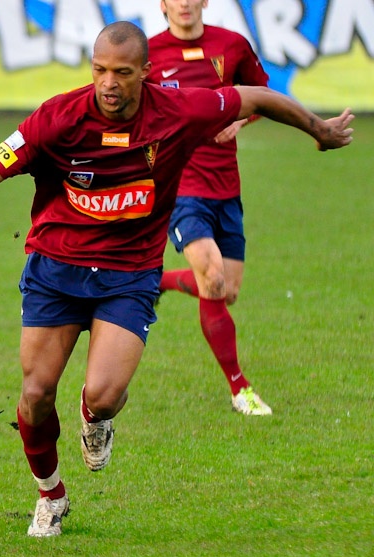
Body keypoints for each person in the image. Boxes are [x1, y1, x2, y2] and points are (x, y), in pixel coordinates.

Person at [0, 22, 354, 537]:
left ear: (146, 73)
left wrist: (317, 129)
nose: (109, 83)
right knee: (34, 396)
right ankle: (51, 495)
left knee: (102, 394)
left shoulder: (179, 109)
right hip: (56, 270)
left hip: (129, 275)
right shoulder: (57, 118)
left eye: (122, 72)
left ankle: (94, 417)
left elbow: (254, 95)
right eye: (100, 70)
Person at [147, 0, 272, 416]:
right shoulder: (147, 55)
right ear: (162, 4)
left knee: (225, 291)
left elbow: (263, 95)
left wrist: (240, 120)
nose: (184, 2)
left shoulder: (232, 45)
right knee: (213, 276)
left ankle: (159, 282)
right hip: (180, 187)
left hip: (226, 188)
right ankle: (240, 389)